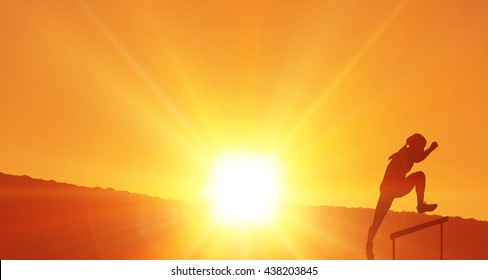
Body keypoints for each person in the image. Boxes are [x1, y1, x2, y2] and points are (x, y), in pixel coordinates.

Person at [366, 133, 438, 260]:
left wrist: (429, 149)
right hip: (393, 188)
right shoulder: (407, 153)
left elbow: (418, 157)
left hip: (390, 189)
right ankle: (369, 244)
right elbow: (419, 158)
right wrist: (431, 149)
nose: (421, 150)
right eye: (421, 147)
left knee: (377, 221)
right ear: (416, 146)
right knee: (420, 176)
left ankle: (369, 243)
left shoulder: (405, 151)